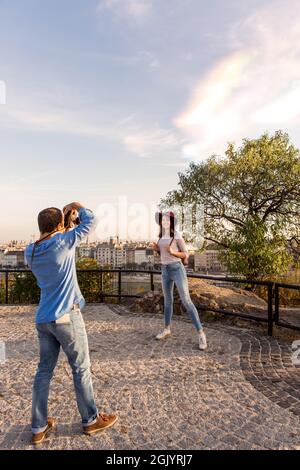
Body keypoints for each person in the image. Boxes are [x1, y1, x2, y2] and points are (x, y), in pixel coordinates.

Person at [24, 202, 118, 445]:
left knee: (43, 372)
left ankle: (38, 427)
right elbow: (92, 222)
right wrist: (77, 207)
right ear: (58, 225)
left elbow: (52, 241)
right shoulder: (65, 242)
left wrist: (62, 225)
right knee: (81, 369)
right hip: (66, 316)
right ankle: (90, 420)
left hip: (43, 319)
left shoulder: (29, 251)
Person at [150, 211, 207, 350]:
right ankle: (167, 329)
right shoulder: (161, 236)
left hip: (176, 269)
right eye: (162, 220)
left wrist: (173, 252)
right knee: (167, 301)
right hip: (164, 270)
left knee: (186, 300)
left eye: (167, 220)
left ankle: (201, 334)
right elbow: (163, 253)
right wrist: (157, 249)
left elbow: (185, 253)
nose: (164, 222)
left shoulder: (176, 235)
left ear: (171, 222)